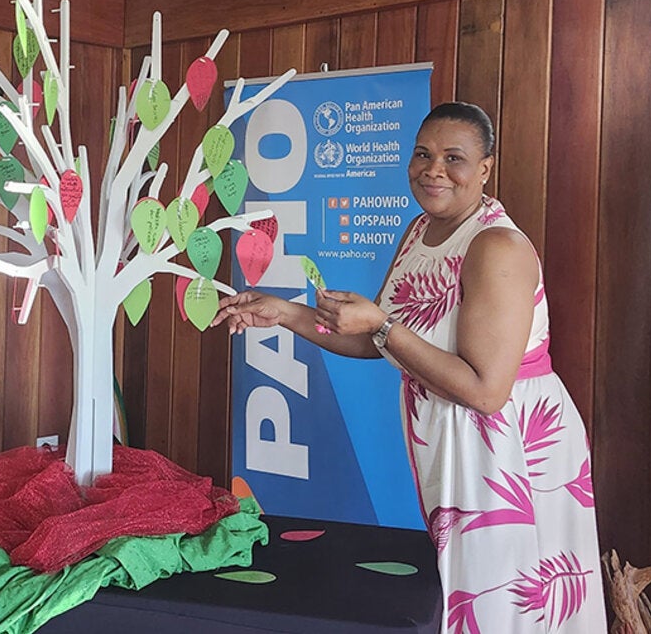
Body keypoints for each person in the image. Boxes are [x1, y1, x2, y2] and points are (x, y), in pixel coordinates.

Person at [214, 102, 607, 632]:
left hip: (508, 446)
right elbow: (375, 340)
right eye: (423, 154)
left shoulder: (496, 246)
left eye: (454, 158)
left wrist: (381, 324)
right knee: (468, 595)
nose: (433, 169)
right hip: (452, 437)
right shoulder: (420, 230)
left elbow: (486, 391)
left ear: (486, 169)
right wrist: (283, 313)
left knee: (504, 605)